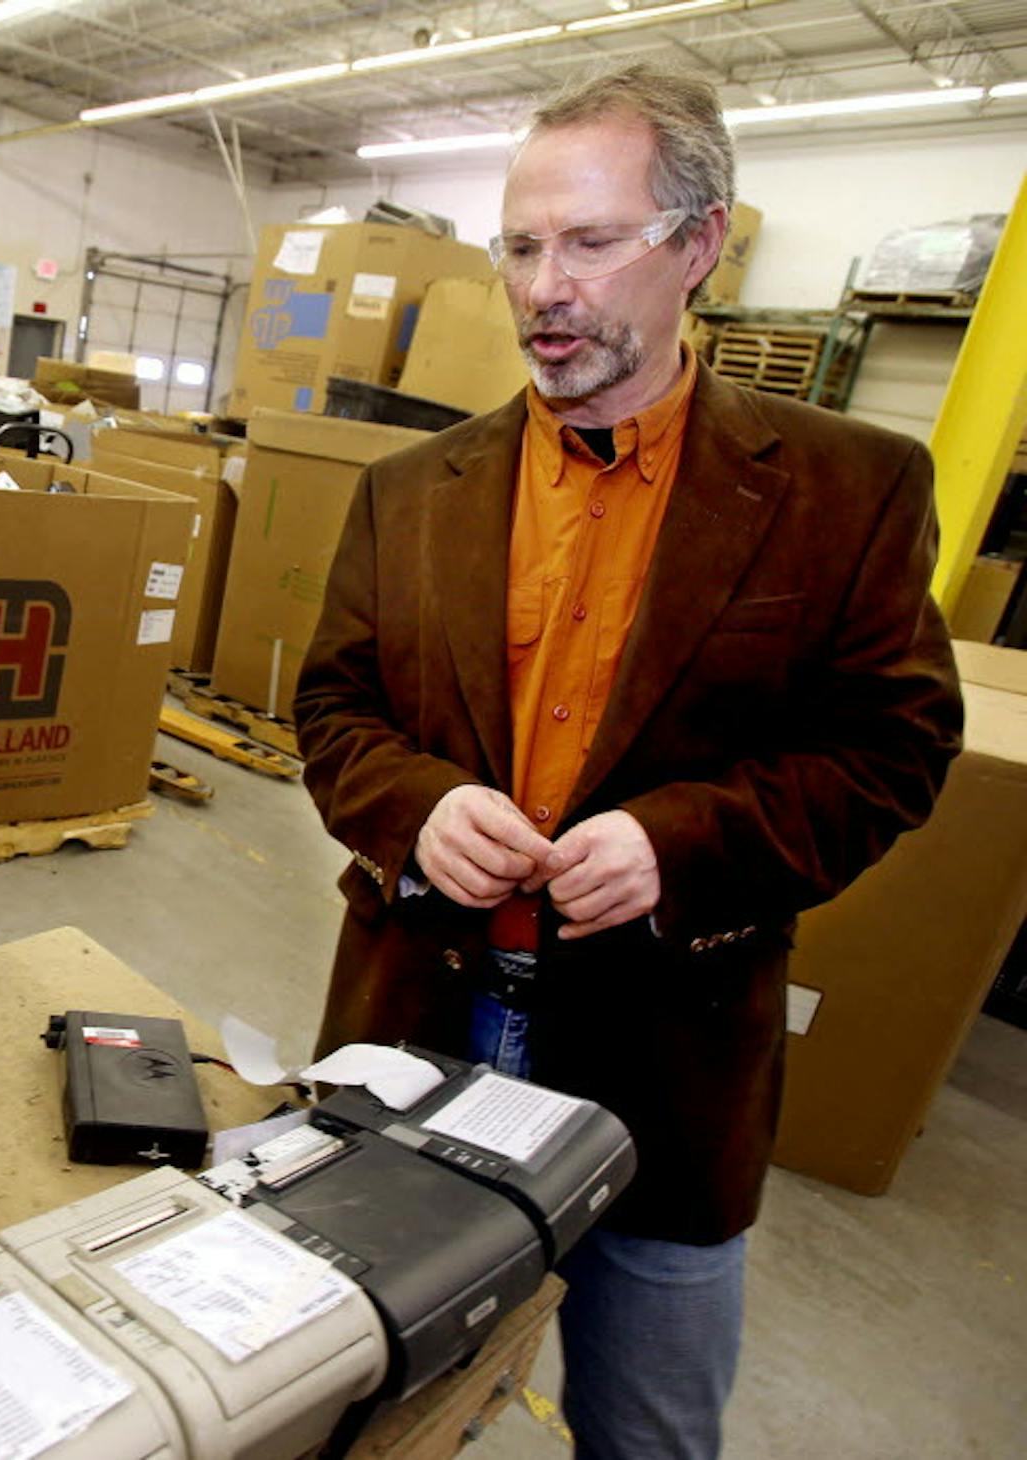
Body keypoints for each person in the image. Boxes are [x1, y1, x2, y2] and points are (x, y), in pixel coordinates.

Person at [292, 65, 961, 1459]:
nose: (547, 286)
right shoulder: (412, 492)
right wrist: (418, 809)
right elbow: (335, 710)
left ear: (700, 244)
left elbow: (892, 747)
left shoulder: (848, 491)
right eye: (524, 246)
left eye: (593, 243)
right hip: (421, 1020)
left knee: (649, 1432)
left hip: (665, 1068)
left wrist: (682, 843)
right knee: (363, 1406)